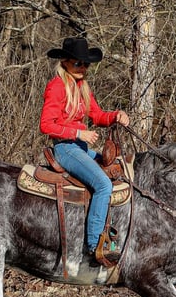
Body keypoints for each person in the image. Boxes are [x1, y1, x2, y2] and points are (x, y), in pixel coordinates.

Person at [40, 37, 130, 262]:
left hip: (79, 148)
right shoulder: (57, 87)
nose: (82, 68)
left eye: (86, 64)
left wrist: (115, 116)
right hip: (66, 148)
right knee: (102, 183)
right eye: (78, 63)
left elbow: (97, 115)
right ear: (65, 63)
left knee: (121, 171)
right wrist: (79, 133)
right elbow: (46, 124)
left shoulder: (81, 87)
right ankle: (94, 244)